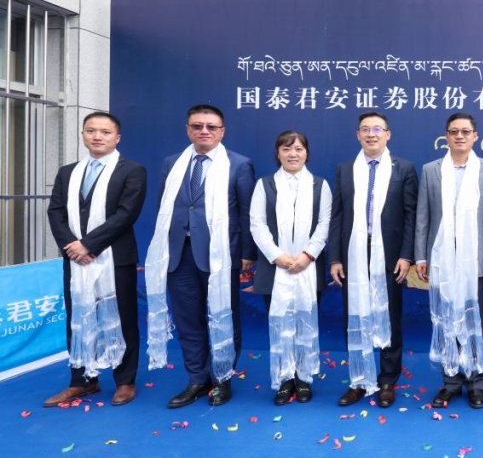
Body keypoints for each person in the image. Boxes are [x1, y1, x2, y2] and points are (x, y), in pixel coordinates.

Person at [145, 104, 255, 408]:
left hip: (222, 255)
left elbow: (247, 213)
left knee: (224, 317)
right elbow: (164, 208)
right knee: (188, 320)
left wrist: (247, 254)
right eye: (197, 126)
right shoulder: (172, 163)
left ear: (222, 131)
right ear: (188, 129)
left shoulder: (239, 164)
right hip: (178, 254)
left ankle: (222, 378)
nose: (204, 131)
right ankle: (196, 378)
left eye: (211, 127)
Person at [45, 112, 147, 407]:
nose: (97, 136)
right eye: (91, 131)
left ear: (117, 137)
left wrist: (88, 244)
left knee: (123, 318)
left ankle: (125, 380)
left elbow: (127, 214)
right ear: (83, 134)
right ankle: (82, 380)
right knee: (78, 316)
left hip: (116, 258)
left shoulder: (132, 170)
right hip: (76, 260)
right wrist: (72, 247)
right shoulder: (68, 172)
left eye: (105, 132)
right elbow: (55, 212)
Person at [328, 111, 418, 408]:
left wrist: (406, 255)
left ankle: (387, 380)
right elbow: (337, 215)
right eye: (365, 129)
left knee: (390, 316)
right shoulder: (344, 170)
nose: (371, 134)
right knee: (355, 314)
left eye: (377, 129)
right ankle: (359, 379)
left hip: (390, 255)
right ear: (358, 135)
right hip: (353, 253)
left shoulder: (404, 168)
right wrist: (335, 257)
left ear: (387, 135)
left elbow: (410, 216)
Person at [414, 113, 483, 409]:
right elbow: (423, 217)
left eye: (466, 131)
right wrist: (421, 256)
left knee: (475, 320)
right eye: (454, 132)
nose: (460, 136)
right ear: (446, 136)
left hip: (474, 260)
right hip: (441, 259)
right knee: (446, 319)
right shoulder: (431, 170)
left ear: (475, 136)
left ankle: (476, 383)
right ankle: (450, 382)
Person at [249, 131, 331, 405]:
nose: (292, 154)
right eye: (286, 149)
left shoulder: (320, 185)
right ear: (278, 153)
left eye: (298, 149)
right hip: (275, 268)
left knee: (304, 321)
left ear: (306, 153)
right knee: (281, 324)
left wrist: (308, 255)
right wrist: (278, 256)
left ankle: (304, 378)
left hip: (309, 266)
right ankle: (285, 378)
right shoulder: (265, 185)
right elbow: (257, 224)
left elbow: (325, 224)